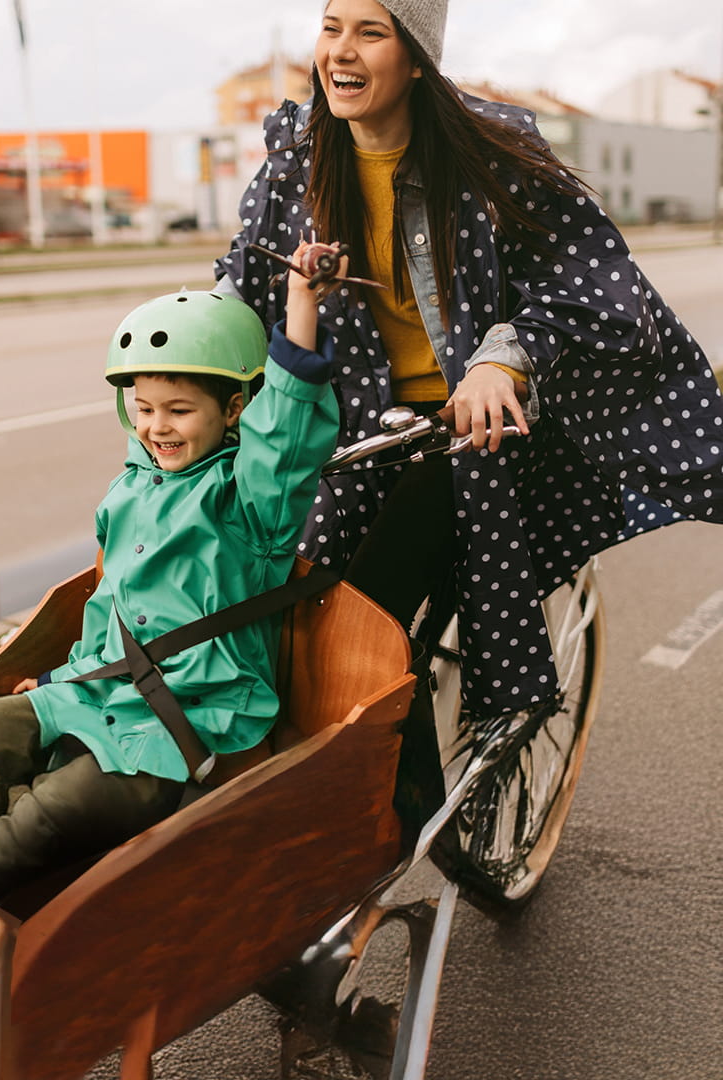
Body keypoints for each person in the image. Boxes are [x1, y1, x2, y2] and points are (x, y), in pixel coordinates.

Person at [215, 0, 723, 757]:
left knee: (368, 623)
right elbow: (242, 283)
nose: (341, 53)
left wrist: (502, 355)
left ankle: (394, 821)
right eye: (330, 28)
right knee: (286, 608)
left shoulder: (491, 153)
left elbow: (593, 287)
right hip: (354, 430)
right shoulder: (297, 159)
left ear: (418, 58)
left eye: (371, 31)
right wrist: (178, 356)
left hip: (475, 432)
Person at [0, 247, 343, 900]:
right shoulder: (130, 490)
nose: (156, 427)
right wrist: (61, 676)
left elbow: (283, 438)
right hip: (97, 693)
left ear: (232, 411)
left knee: (56, 804)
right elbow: (115, 605)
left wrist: (301, 303)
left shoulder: (250, 504)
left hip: (181, 723)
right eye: (144, 408)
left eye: (178, 410)